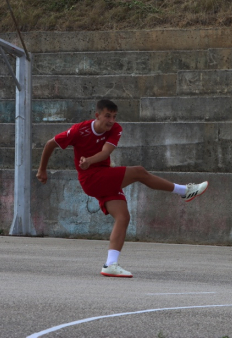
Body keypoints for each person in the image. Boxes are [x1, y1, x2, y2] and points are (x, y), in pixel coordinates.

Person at [36, 99, 208, 278]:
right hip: (90, 179)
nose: (111, 120)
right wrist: (42, 170)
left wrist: (89, 160)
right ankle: (184, 191)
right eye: (107, 116)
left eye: (114, 117)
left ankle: (110, 264)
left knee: (123, 216)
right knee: (139, 172)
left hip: (104, 175)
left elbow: (106, 152)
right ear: (97, 115)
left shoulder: (116, 129)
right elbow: (50, 144)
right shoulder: (80, 130)